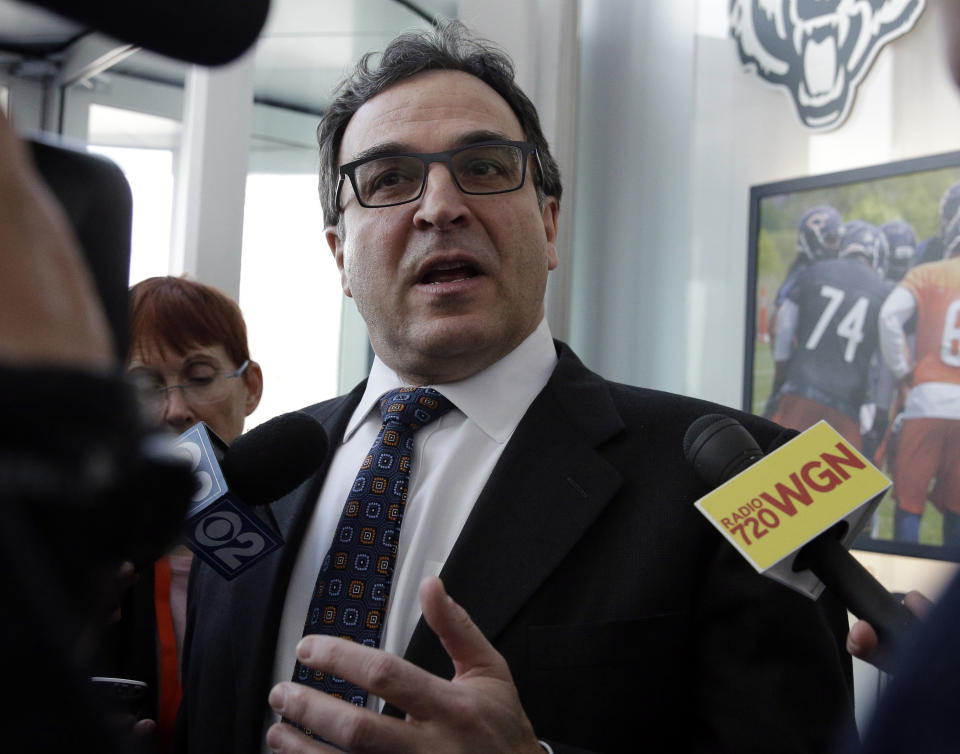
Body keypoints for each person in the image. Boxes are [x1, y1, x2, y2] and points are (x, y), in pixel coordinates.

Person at [176, 21, 855, 754]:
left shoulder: (759, 474)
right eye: (389, 180)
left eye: (486, 166)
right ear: (340, 256)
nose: (439, 206)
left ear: (550, 223)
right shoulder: (248, 486)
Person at [100, 276, 264, 752]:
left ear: (250, 387)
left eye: (199, 377)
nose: (175, 410)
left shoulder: (304, 536)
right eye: (143, 385)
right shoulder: (77, 555)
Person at [877, 202, 960, 545]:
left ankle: (902, 576)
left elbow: (889, 317)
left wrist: (903, 370)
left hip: (926, 398)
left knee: (909, 502)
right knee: (958, 506)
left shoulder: (927, 273)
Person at [769, 219, 893, 448]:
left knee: (775, 473)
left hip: (800, 391)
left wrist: (780, 379)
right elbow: (885, 366)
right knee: (842, 482)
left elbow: (784, 329)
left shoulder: (814, 272)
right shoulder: (885, 292)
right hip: (847, 407)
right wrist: (881, 415)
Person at [763, 204, 843, 417]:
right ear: (814, 240)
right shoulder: (805, 275)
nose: (838, 247)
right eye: (832, 240)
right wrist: (784, 375)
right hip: (807, 383)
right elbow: (777, 327)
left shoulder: (805, 274)